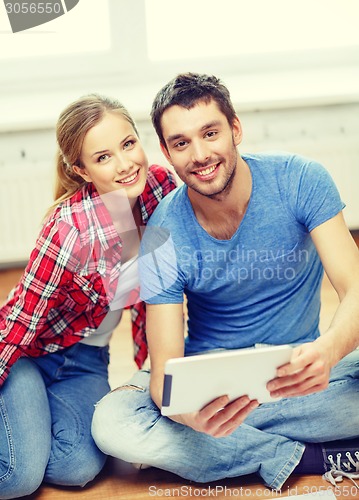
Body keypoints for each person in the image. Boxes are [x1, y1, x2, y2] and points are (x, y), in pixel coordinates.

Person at [91, 74, 359, 491]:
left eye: (210, 133)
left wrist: (329, 351)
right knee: (113, 422)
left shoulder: (301, 179)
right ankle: (311, 456)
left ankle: (227, 447)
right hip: (210, 385)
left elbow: (355, 287)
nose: (200, 155)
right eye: (181, 143)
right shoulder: (163, 230)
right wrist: (185, 414)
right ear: (166, 152)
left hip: (300, 372)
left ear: (235, 129)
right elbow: (165, 373)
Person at [0, 94, 176, 499]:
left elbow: (162, 294)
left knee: (76, 467)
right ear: (80, 170)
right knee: (18, 477)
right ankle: (21, 412)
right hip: (28, 354)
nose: (125, 164)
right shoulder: (69, 228)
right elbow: (19, 324)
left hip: (87, 361)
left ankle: (28, 419)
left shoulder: (161, 189)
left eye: (128, 144)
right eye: (103, 157)